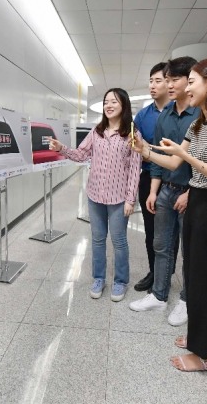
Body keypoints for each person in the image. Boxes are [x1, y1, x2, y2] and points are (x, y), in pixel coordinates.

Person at [135, 57, 207, 373]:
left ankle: (206, 356)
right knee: (193, 275)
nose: (185, 88)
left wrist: (186, 156)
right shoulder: (202, 121)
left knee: (201, 282)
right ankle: (198, 337)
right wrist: (145, 151)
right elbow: (172, 163)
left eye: (192, 81)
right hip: (198, 201)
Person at [49, 88, 142, 302]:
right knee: (98, 239)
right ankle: (98, 278)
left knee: (119, 241)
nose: (108, 106)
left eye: (114, 102)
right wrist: (61, 148)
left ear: (124, 106)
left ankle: (120, 281)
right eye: (106, 102)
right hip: (95, 195)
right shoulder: (96, 132)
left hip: (119, 199)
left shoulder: (132, 134)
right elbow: (81, 155)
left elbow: (135, 169)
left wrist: (130, 199)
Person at [129, 57, 199, 329]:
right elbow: (158, 157)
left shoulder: (200, 116)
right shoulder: (164, 116)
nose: (169, 85)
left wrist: (190, 192)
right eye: (165, 79)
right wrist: (154, 191)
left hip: (189, 192)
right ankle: (158, 294)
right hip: (166, 190)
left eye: (174, 79)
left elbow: (204, 161)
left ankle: (185, 300)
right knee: (161, 244)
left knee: (190, 251)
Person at [132, 62, 171, 293]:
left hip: (176, 179)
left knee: (173, 233)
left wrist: (150, 150)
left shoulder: (182, 111)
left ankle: (168, 274)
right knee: (151, 231)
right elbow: (135, 147)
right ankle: (154, 272)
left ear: (170, 82)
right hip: (148, 178)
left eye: (158, 81)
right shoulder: (143, 115)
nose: (153, 86)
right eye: (151, 81)